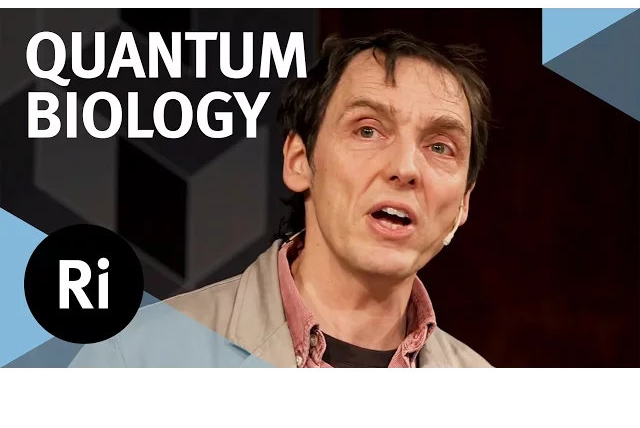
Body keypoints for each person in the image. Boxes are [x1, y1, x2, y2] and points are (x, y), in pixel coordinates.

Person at [70, 30, 493, 368]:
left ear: (463, 202)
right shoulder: (135, 356)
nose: (406, 167)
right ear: (298, 161)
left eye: (440, 147)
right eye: (367, 130)